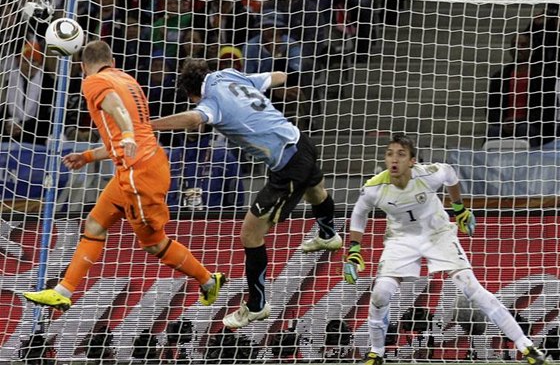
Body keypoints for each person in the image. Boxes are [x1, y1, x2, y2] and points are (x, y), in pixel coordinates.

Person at [23, 40, 225, 312]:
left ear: (83, 66)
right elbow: (127, 133)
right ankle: (62, 291)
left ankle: (208, 280)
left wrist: (127, 133)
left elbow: (118, 113)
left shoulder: (93, 81)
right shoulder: (128, 80)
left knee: (154, 244)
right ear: (113, 61)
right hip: (138, 164)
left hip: (139, 172)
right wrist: (88, 156)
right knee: (94, 224)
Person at [150, 58, 342, 328]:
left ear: (191, 93)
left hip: (287, 163)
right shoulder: (229, 75)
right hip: (301, 140)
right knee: (315, 192)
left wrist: (150, 126)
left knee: (250, 234)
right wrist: (289, 76)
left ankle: (256, 305)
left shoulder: (208, 103)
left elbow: (194, 118)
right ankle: (328, 234)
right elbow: (276, 77)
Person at [342, 133, 549, 365]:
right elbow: (359, 214)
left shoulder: (428, 174)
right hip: (401, 240)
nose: (394, 159)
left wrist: (459, 208)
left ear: (412, 161)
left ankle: (526, 347)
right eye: (390, 154)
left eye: (401, 154)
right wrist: (354, 249)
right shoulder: (374, 187)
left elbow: (450, 175)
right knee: (380, 294)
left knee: (472, 289)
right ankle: (376, 353)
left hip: (438, 234)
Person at [486, 32, 558, 148]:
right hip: (506, 125)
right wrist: (503, 122)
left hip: (534, 126)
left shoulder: (545, 76)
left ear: (532, 50)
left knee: (524, 129)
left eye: (523, 45)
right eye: (515, 44)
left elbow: (548, 110)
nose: (518, 48)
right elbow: (491, 108)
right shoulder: (500, 76)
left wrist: (520, 121)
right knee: (493, 132)